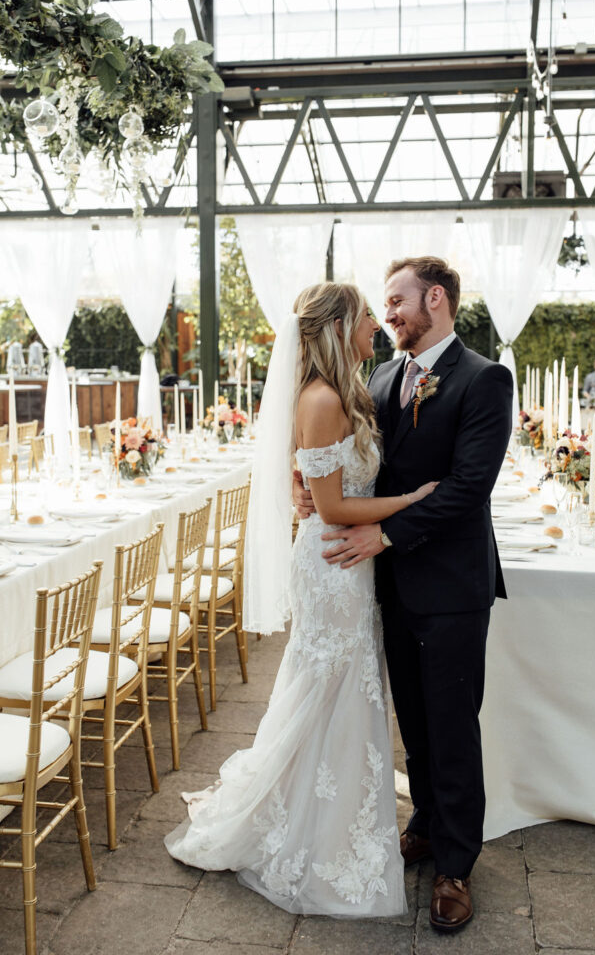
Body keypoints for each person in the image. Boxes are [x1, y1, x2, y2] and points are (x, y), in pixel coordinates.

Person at [165, 282, 438, 917]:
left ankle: (336, 813)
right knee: (331, 685)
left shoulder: (349, 392)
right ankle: (313, 831)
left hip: (350, 559)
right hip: (334, 563)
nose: (377, 323)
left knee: (344, 685)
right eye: (368, 314)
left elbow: (330, 482)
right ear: (342, 325)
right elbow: (337, 505)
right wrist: (409, 503)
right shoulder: (320, 398)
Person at [294, 257, 513, 932]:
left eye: (395, 301)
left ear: (436, 300)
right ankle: (421, 822)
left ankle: (454, 864)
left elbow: (467, 486)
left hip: (449, 584)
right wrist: (306, 487)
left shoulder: (485, 380)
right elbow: (348, 461)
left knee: (450, 725)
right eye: (382, 305)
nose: (385, 314)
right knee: (412, 721)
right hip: (386, 586)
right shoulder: (381, 376)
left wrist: (385, 537)